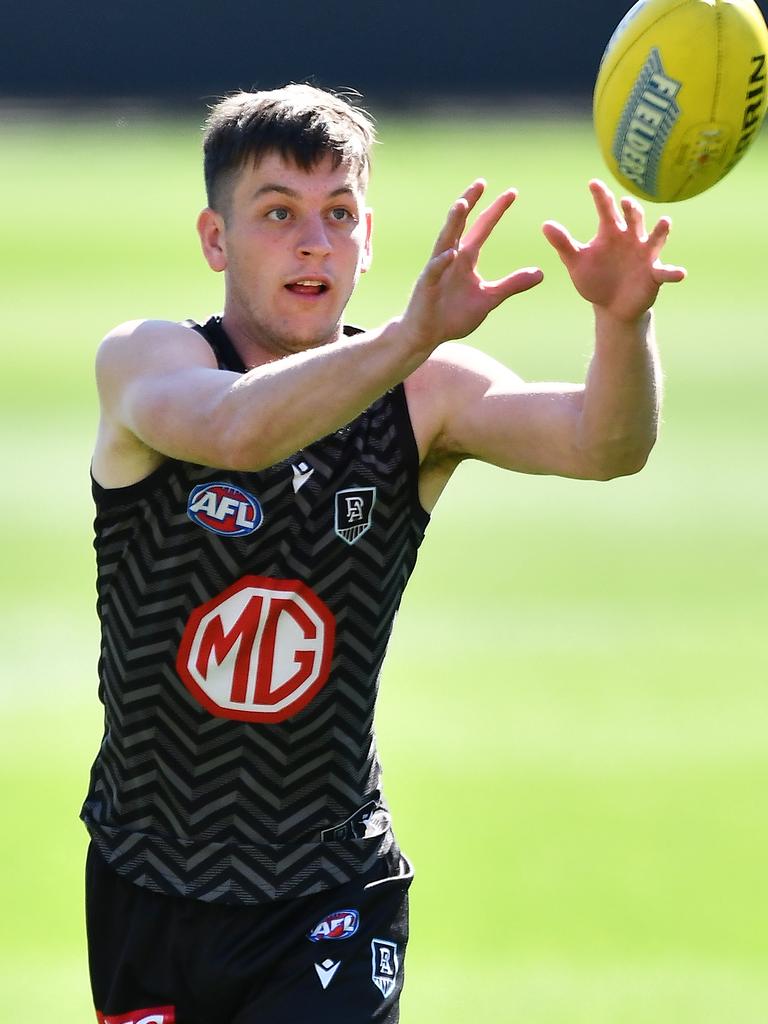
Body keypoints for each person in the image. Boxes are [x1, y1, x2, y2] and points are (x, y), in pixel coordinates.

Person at [82, 83, 685, 1024]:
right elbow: (239, 431)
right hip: (150, 881)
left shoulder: (423, 391)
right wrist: (409, 337)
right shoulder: (149, 362)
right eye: (278, 213)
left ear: (369, 237)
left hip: (332, 887)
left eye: (340, 214)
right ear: (215, 240)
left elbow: (603, 447)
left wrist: (622, 324)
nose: (314, 242)